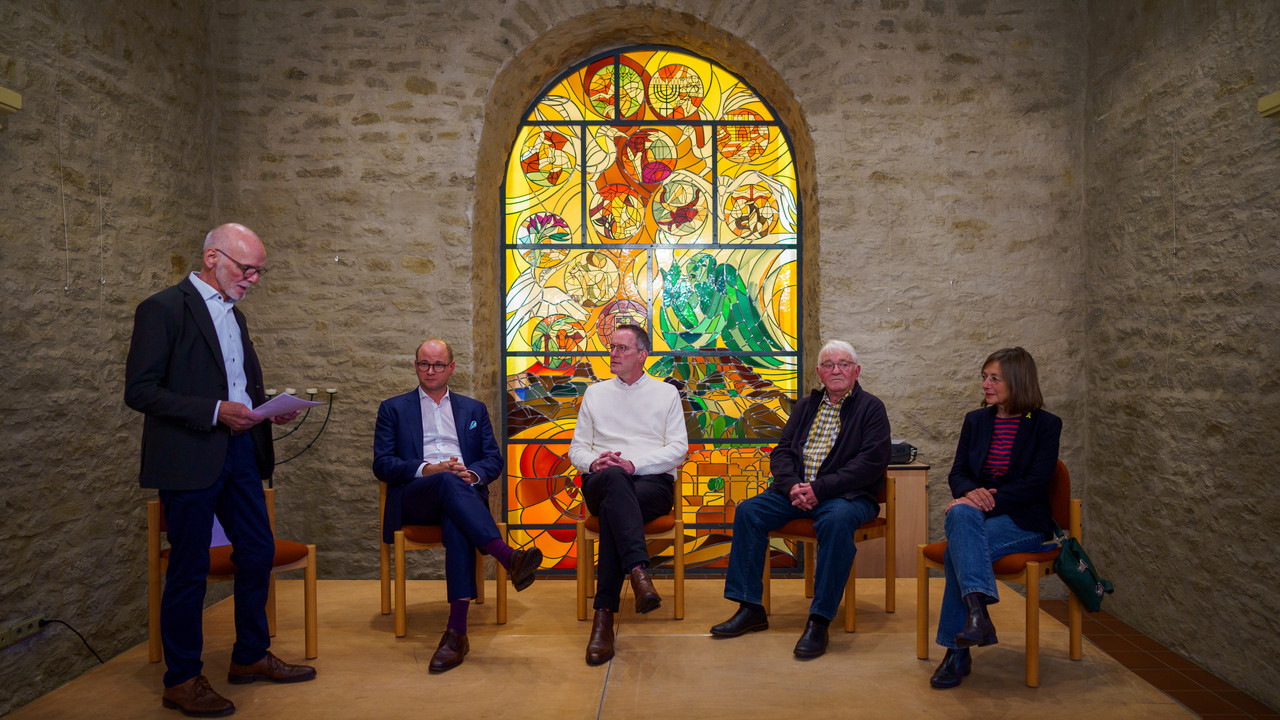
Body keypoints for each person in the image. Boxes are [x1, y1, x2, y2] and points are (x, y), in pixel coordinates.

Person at [125, 223, 315, 718]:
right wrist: (214, 410)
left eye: (259, 271)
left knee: (257, 552)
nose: (252, 278)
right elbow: (140, 391)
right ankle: (182, 679)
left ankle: (249, 655)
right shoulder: (162, 309)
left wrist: (268, 406)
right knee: (188, 570)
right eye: (245, 268)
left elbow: (238, 386)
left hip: (241, 453)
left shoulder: (238, 318)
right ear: (212, 257)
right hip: (190, 459)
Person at [711, 340, 890, 659]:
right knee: (750, 511)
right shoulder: (807, 406)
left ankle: (819, 620)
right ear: (819, 372)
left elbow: (871, 462)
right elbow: (781, 450)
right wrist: (793, 485)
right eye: (829, 364)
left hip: (847, 496)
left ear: (856, 371)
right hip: (795, 492)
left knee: (835, 521)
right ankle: (751, 607)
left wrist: (819, 489)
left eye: (844, 364)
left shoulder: (871, 408)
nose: (836, 370)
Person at [373, 338, 542, 673]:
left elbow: (493, 460)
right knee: (446, 480)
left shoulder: (472, 410)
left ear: (451, 368)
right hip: (416, 496)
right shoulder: (393, 408)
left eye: (438, 365)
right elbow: (383, 464)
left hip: (462, 496)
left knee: (456, 518)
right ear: (416, 365)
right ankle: (506, 555)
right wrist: (429, 469)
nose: (430, 371)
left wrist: (473, 474)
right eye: (424, 364)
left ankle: (456, 633)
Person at [929, 347, 1062, 688]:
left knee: (961, 538)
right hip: (977, 518)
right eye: (984, 377)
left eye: (994, 378)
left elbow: (1035, 484)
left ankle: (957, 651)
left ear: (1017, 381)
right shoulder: (976, 420)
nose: (986, 384)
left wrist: (983, 501)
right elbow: (958, 473)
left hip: (1023, 521)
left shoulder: (1046, 425)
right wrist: (970, 495)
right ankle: (976, 617)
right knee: (960, 515)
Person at [568, 324, 688, 665]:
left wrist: (635, 464)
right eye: (612, 348)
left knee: (613, 509)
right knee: (614, 481)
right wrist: (595, 460)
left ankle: (604, 616)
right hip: (601, 480)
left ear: (642, 355)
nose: (613, 355)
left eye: (622, 349)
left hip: (651, 484)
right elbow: (576, 449)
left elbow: (679, 449)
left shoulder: (665, 394)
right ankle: (637, 570)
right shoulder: (595, 393)